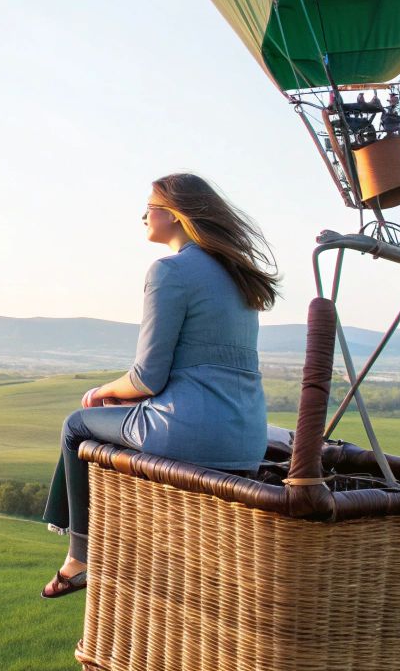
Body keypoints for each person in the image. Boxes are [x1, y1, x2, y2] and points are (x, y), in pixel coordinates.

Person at [40, 172, 278, 599]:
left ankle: (79, 556)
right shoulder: (239, 275)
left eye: (147, 207)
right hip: (246, 441)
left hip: (187, 431)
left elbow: (148, 377)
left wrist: (100, 393)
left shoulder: (169, 271)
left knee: (78, 423)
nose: (143, 216)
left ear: (172, 213)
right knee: (96, 421)